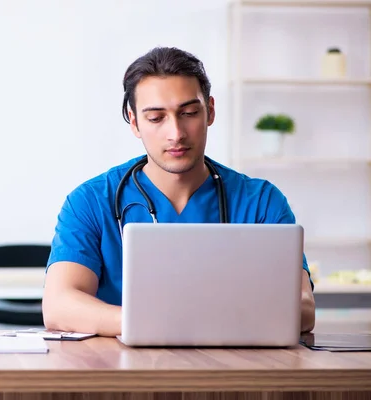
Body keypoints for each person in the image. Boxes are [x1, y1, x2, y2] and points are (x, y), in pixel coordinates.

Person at [42, 46, 315, 337]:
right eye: (156, 118)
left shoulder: (261, 201)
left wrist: (184, 324)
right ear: (134, 122)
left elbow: (303, 308)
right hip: (120, 372)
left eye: (188, 113)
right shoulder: (91, 201)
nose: (176, 133)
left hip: (233, 370)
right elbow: (59, 305)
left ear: (209, 111)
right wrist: (159, 325)